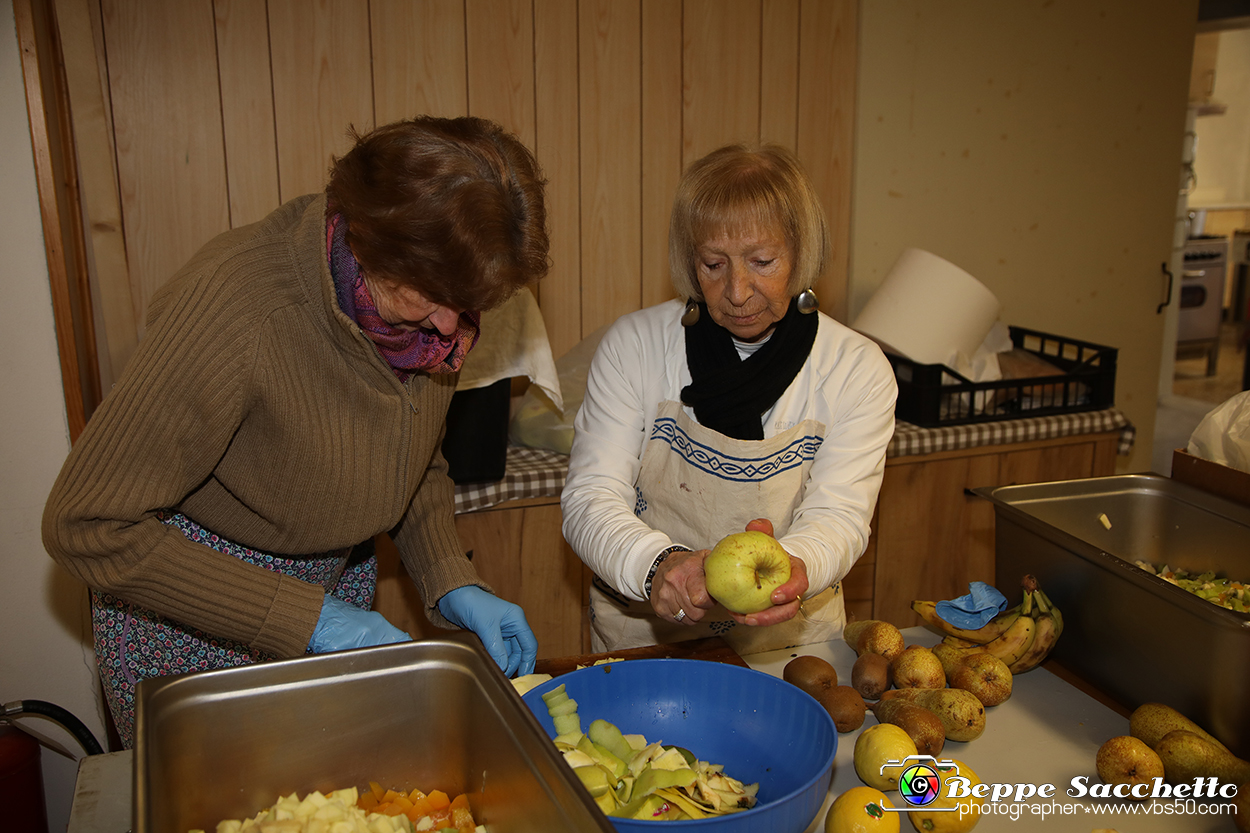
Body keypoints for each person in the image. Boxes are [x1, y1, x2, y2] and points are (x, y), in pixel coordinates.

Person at [42, 116, 547, 747]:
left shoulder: (430, 312)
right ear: (368, 241)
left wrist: (449, 574)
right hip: (191, 613)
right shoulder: (235, 308)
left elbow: (413, 458)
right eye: (429, 296)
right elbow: (85, 525)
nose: (450, 329)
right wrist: (306, 617)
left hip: (331, 594)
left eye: (469, 305)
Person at [560, 143, 897, 655]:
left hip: (789, 642)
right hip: (649, 636)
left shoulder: (855, 368)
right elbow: (591, 497)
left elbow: (840, 514)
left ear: (801, 253)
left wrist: (795, 566)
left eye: (762, 261)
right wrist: (658, 565)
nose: (737, 291)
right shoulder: (636, 347)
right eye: (713, 264)